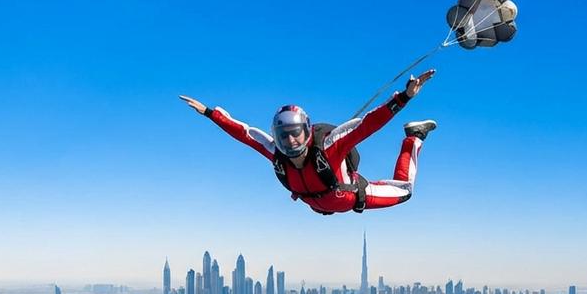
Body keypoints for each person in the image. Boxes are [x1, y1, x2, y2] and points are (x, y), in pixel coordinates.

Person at [179, 70, 436, 215]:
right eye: (283, 136)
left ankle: (413, 138)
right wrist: (210, 113)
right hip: (322, 204)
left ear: (306, 130)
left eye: (295, 133)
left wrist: (403, 97)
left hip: (355, 196)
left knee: (405, 191)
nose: (290, 140)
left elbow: (367, 125)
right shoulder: (277, 156)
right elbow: (245, 134)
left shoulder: (329, 147)